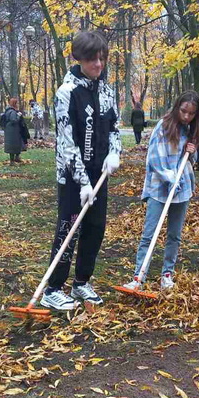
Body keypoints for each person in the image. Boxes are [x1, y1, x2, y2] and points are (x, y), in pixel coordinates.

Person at [41, 31, 122, 311]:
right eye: (92, 60)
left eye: (102, 59)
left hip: (100, 174)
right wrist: (83, 182)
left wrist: (114, 153)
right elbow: (67, 142)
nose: (98, 65)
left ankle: (81, 282)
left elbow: (114, 128)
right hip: (73, 177)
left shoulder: (107, 91)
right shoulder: (66, 93)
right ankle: (52, 288)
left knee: (95, 227)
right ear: (78, 58)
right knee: (69, 228)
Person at [122, 91, 199, 292]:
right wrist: (170, 177)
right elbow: (155, 159)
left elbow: (188, 162)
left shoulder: (191, 129)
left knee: (174, 235)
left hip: (181, 188)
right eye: (184, 111)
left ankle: (167, 275)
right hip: (160, 188)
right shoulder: (163, 126)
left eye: (191, 113)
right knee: (149, 234)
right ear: (177, 107)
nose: (186, 116)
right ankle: (138, 277)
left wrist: (191, 153)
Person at [1, 98, 26, 163]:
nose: (17, 104)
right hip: (14, 131)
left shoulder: (7, 111)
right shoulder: (12, 112)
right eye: (16, 103)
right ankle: (13, 160)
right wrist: (18, 115)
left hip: (9, 131)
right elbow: (14, 120)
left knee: (12, 145)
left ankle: (15, 159)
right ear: (14, 104)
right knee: (15, 144)